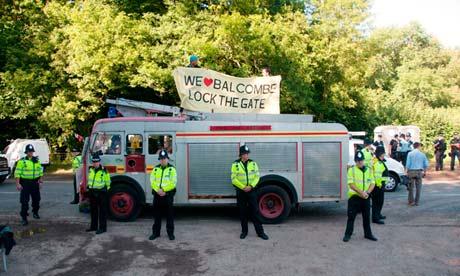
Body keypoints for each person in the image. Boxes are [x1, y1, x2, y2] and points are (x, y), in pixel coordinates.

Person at [231, 145, 269, 240]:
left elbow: (257, 176)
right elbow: (233, 179)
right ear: (241, 155)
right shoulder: (235, 164)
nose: (246, 155)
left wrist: (251, 186)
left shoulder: (253, 163)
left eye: (247, 154)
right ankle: (244, 232)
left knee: (255, 212)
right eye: (245, 154)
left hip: (252, 191)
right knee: (243, 212)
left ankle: (260, 232)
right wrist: (243, 187)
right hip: (241, 191)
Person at [343, 151, 377, 242]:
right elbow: (351, 184)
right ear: (355, 161)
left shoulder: (369, 170)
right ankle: (347, 234)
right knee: (351, 217)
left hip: (366, 197)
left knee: (366, 217)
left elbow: (372, 183)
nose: (360, 162)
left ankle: (368, 234)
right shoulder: (351, 170)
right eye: (358, 161)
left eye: (361, 160)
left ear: (363, 160)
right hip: (354, 198)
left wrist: (368, 193)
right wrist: (361, 192)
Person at [149, 150, 177, 241]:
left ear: (167, 159)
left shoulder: (172, 169)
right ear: (159, 160)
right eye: (161, 159)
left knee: (170, 216)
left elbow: (173, 183)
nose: (163, 160)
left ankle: (170, 234)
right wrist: (158, 190)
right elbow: (152, 181)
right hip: (157, 195)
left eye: (164, 158)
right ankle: (156, 233)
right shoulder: (155, 169)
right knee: (157, 215)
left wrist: (164, 190)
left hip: (167, 195)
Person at [15, 144, 44, 226]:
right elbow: (17, 173)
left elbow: (40, 171)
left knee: (36, 199)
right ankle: (24, 218)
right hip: (25, 184)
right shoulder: (22, 161)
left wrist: (40, 180)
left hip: (35, 183)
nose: (30, 153)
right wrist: (18, 184)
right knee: (24, 201)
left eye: (31, 151)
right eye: (29, 151)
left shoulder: (37, 160)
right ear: (26, 152)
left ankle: (35, 212)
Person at [86, 154, 111, 234]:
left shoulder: (104, 170)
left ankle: (102, 228)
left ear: (99, 161)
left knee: (102, 211)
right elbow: (90, 180)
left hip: (101, 193)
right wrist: (89, 188)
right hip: (92, 192)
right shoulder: (91, 170)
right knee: (93, 211)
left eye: (96, 161)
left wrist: (106, 190)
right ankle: (93, 227)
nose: (95, 163)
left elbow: (108, 182)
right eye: (93, 162)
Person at [371, 147, 388, 225]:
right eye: (384, 153)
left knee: (379, 202)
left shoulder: (378, 161)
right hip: (377, 186)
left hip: (379, 185)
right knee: (377, 202)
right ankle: (375, 218)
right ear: (381, 154)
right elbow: (377, 175)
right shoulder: (377, 162)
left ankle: (378, 214)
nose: (385, 154)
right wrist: (380, 185)